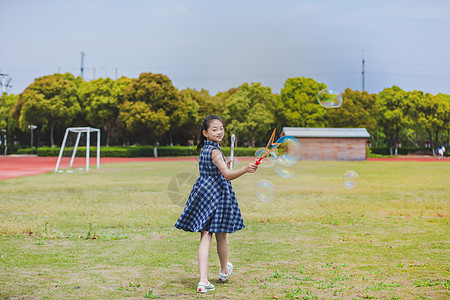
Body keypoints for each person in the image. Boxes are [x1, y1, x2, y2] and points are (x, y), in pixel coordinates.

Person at [174, 115, 258, 293]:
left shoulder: (206, 149)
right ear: (205, 133)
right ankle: (216, 274)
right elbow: (227, 175)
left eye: (221, 128)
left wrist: (224, 164)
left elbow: (215, 169)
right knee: (219, 235)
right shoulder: (215, 151)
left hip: (204, 192)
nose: (219, 131)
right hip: (217, 194)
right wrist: (245, 169)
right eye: (214, 129)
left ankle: (213, 276)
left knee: (207, 235)